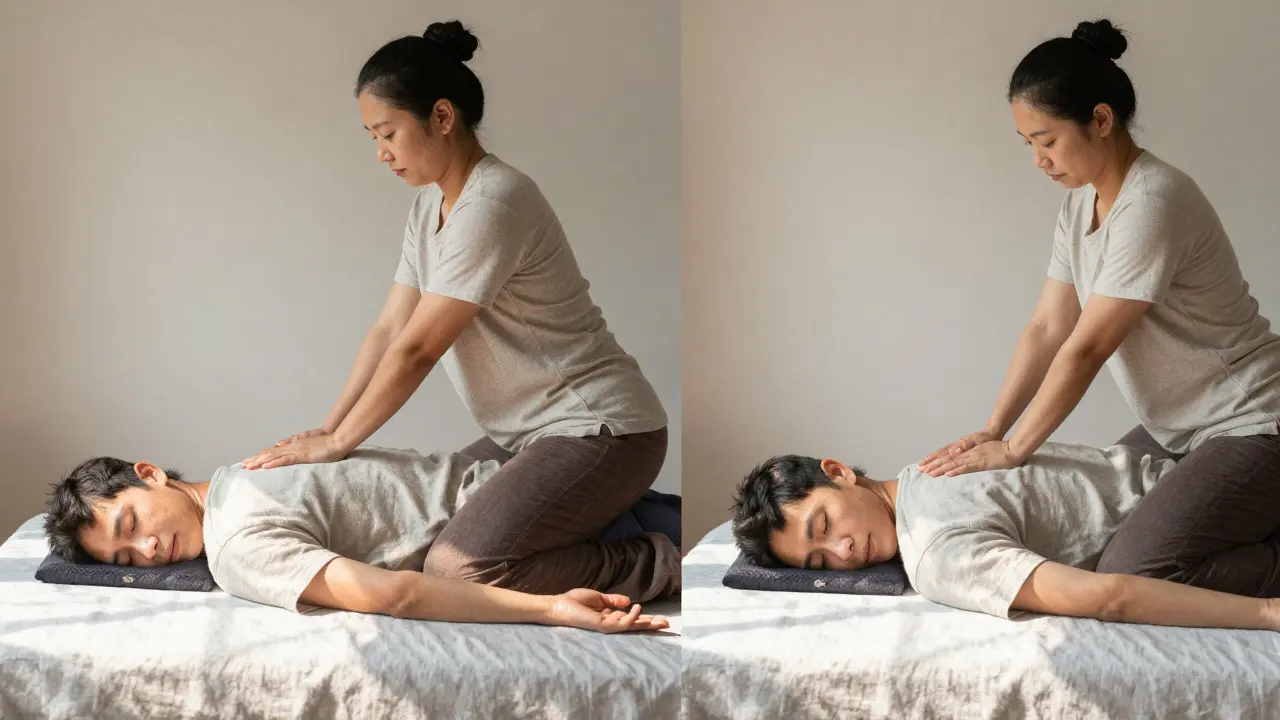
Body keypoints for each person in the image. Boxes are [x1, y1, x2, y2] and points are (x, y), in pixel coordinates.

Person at [238, 21, 677, 602]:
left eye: (387, 132)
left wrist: (340, 445)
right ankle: (608, 513)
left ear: (441, 117)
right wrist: (329, 428)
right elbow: (388, 329)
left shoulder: (493, 203)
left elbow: (418, 348)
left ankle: (657, 555)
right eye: (372, 137)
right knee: (424, 536)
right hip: (529, 436)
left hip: (601, 430)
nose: (381, 153)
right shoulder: (429, 208)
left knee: (460, 569)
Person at [917, 19, 1280, 594]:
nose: (1039, 160)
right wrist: (993, 429)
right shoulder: (1079, 206)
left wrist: (1014, 449)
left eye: (1048, 140)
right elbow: (1046, 327)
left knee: (1133, 570)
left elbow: (1085, 348)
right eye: (1028, 144)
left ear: (1102, 120)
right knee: (1098, 530)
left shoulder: (1154, 202)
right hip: (1180, 428)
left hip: (1254, 420)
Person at [41, 450, 668, 635]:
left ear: (149, 474)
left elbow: (397, 596)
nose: (148, 552)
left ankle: (654, 561)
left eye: (132, 527)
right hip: (520, 479)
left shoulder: (235, 542)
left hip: (527, 522)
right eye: (126, 559)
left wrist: (553, 607)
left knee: (463, 574)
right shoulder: (248, 470)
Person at [730, 444, 1280, 631]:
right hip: (1184, 471)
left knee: (1137, 569)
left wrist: (1267, 615)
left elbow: (1107, 598)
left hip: (1215, 487)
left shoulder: (934, 554)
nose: (844, 553)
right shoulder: (930, 465)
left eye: (824, 526)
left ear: (838, 471)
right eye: (821, 564)